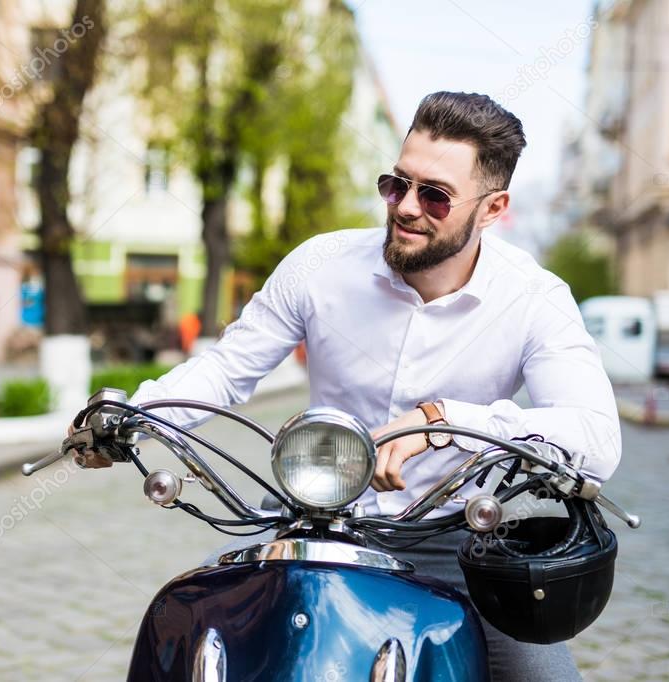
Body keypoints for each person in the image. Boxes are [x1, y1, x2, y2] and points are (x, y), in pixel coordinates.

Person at [70, 92, 621, 681]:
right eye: (396, 184)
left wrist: (442, 423)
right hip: (305, 520)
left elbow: (596, 437)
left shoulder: (535, 298)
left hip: (453, 540)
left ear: (493, 209)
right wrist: (129, 416)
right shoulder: (320, 265)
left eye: (434, 195)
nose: (407, 207)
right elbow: (226, 369)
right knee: (185, 632)